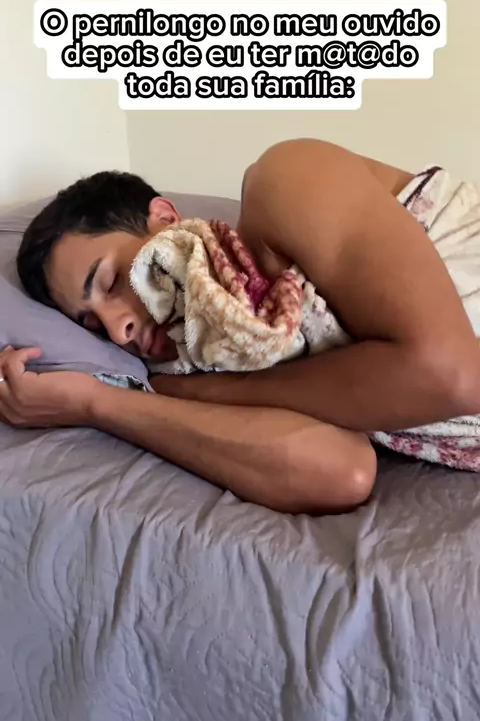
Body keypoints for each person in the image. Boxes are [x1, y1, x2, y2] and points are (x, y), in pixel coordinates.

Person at [1, 138, 480, 515]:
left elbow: (453, 376)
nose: (116, 329)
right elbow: (339, 471)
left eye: (108, 281)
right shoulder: (211, 352)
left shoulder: (288, 178)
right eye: (90, 322)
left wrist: (207, 393)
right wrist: (95, 403)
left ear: (165, 220)